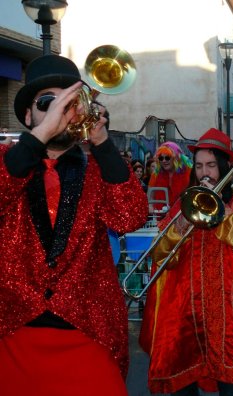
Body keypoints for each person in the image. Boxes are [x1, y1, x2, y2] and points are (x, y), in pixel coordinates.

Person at [0, 54, 148, 395]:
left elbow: (129, 216)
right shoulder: (9, 164)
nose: (57, 112)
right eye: (46, 103)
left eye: (67, 103)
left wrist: (101, 141)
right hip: (13, 332)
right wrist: (38, 139)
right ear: (27, 115)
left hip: (87, 333)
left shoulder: (101, 171)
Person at [139, 128, 233, 395]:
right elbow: (160, 256)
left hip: (226, 310)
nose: (205, 172)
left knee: (229, 387)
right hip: (183, 309)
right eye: (200, 166)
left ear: (224, 167)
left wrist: (221, 212)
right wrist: (179, 224)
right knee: (183, 384)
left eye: (212, 165)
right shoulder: (183, 204)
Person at [148, 141, 193, 211]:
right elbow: (150, 198)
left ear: (176, 158)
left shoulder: (188, 172)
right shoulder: (155, 174)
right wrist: (151, 207)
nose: (164, 161)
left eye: (167, 157)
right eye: (161, 158)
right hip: (161, 216)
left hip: (183, 214)